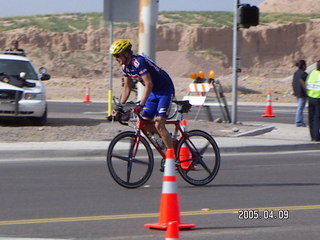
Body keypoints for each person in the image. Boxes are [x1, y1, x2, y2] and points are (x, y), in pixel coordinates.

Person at [109, 39, 175, 149]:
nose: (116, 59)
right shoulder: (125, 67)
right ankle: (170, 140)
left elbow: (149, 84)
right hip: (153, 93)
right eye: (114, 56)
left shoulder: (139, 62)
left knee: (159, 124)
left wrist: (141, 104)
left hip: (165, 90)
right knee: (145, 124)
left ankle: (172, 159)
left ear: (126, 53)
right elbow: (127, 87)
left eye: (118, 55)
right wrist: (120, 106)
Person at [306, 60, 320, 141]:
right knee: (317, 118)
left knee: (311, 117)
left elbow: (306, 83)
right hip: (318, 98)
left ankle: (312, 136)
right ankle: (316, 136)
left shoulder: (312, 73)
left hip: (310, 97)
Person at [292, 60, 308, 127]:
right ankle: (298, 121)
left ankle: (300, 121)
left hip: (297, 93)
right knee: (300, 108)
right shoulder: (304, 74)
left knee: (300, 107)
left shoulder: (296, 73)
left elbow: (293, 83)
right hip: (302, 93)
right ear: (303, 66)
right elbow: (306, 84)